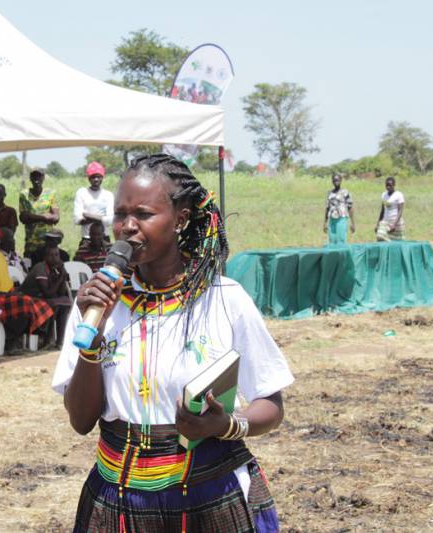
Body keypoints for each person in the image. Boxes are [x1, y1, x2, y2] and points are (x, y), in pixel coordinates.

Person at [52, 154, 293, 531]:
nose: (127, 227)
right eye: (120, 214)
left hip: (210, 494)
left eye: (144, 214)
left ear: (180, 219)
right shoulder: (97, 305)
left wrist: (225, 424)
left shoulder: (224, 299)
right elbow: (82, 421)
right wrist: (92, 339)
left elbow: (271, 404)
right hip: (118, 497)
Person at [0, 226, 53, 353]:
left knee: (38, 302)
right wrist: (5, 294)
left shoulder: (1, 257)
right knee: (24, 303)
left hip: (8, 294)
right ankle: (11, 341)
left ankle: (26, 336)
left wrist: (13, 291)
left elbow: (5, 280)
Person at [21, 245, 72, 348]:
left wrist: (62, 275)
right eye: (51, 255)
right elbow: (48, 293)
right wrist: (61, 277)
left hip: (43, 297)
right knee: (53, 304)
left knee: (64, 304)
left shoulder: (57, 268)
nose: (54, 258)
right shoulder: (40, 267)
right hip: (30, 297)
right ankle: (48, 339)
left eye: (57, 255)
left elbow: (61, 292)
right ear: (45, 257)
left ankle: (60, 342)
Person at [19, 169, 59, 259]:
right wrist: (44, 217)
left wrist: (31, 216)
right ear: (30, 178)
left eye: (39, 176)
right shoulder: (24, 194)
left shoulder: (51, 193)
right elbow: (23, 218)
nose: (36, 179)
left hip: (47, 243)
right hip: (30, 243)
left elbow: (56, 218)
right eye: (34, 176)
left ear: (43, 178)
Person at [73, 161, 114, 245]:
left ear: (102, 177)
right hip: (87, 238)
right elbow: (77, 220)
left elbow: (110, 220)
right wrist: (101, 218)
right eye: (93, 177)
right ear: (88, 178)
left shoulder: (108, 195)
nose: (96, 179)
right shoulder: (81, 193)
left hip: (104, 238)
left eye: (99, 177)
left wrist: (87, 215)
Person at [323, 173, 355, 245]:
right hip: (332, 219)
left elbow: (350, 207)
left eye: (337, 180)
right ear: (332, 181)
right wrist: (325, 223)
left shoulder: (345, 192)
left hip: (342, 218)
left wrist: (352, 223)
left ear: (341, 181)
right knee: (332, 241)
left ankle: (342, 256)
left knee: (341, 240)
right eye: (334, 180)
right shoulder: (329, 193)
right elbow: (327, 208)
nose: (336, 182)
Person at [376, 176, 406, 241]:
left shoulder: (399, 195)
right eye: (386, 185)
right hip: (385, 221)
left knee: (397, 242)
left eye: (390, 185)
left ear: (394, 185)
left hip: (396, 222)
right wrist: (378, 223)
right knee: (380, 236)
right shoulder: (384, 195)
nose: (388, 187)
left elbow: (400, 211)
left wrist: (394, 224)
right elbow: (382, 210)